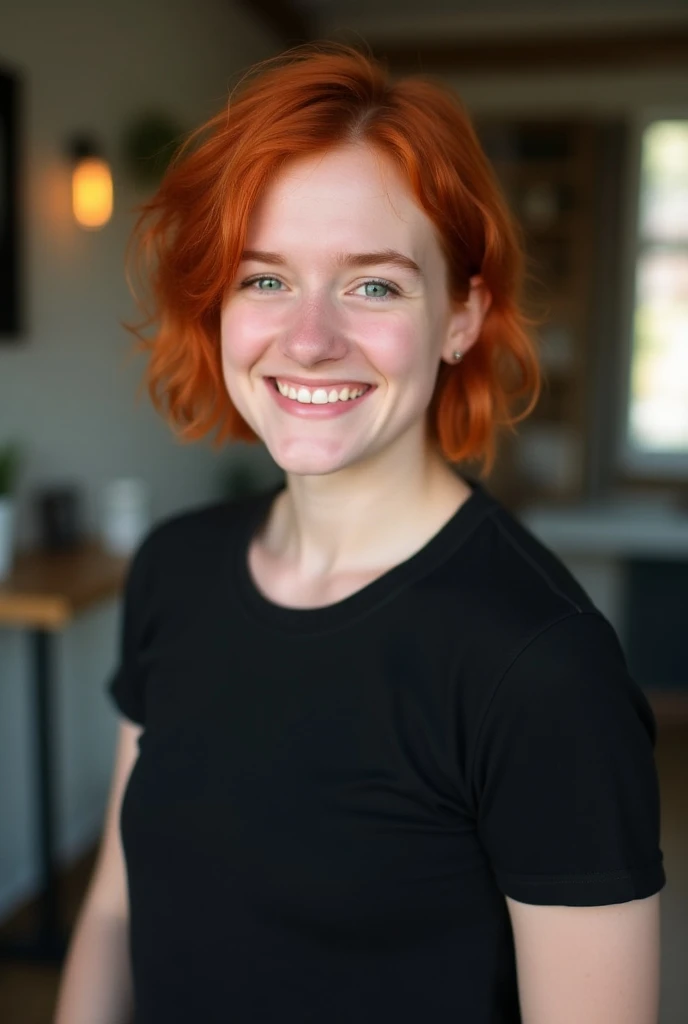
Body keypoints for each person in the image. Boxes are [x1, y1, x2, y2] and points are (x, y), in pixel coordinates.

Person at [54, 43, 665, 1024]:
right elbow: (118, 914)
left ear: (462, 314)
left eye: (373, 285)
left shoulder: (541, 668)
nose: (307, 337)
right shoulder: (176, 566)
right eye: (265, 280)